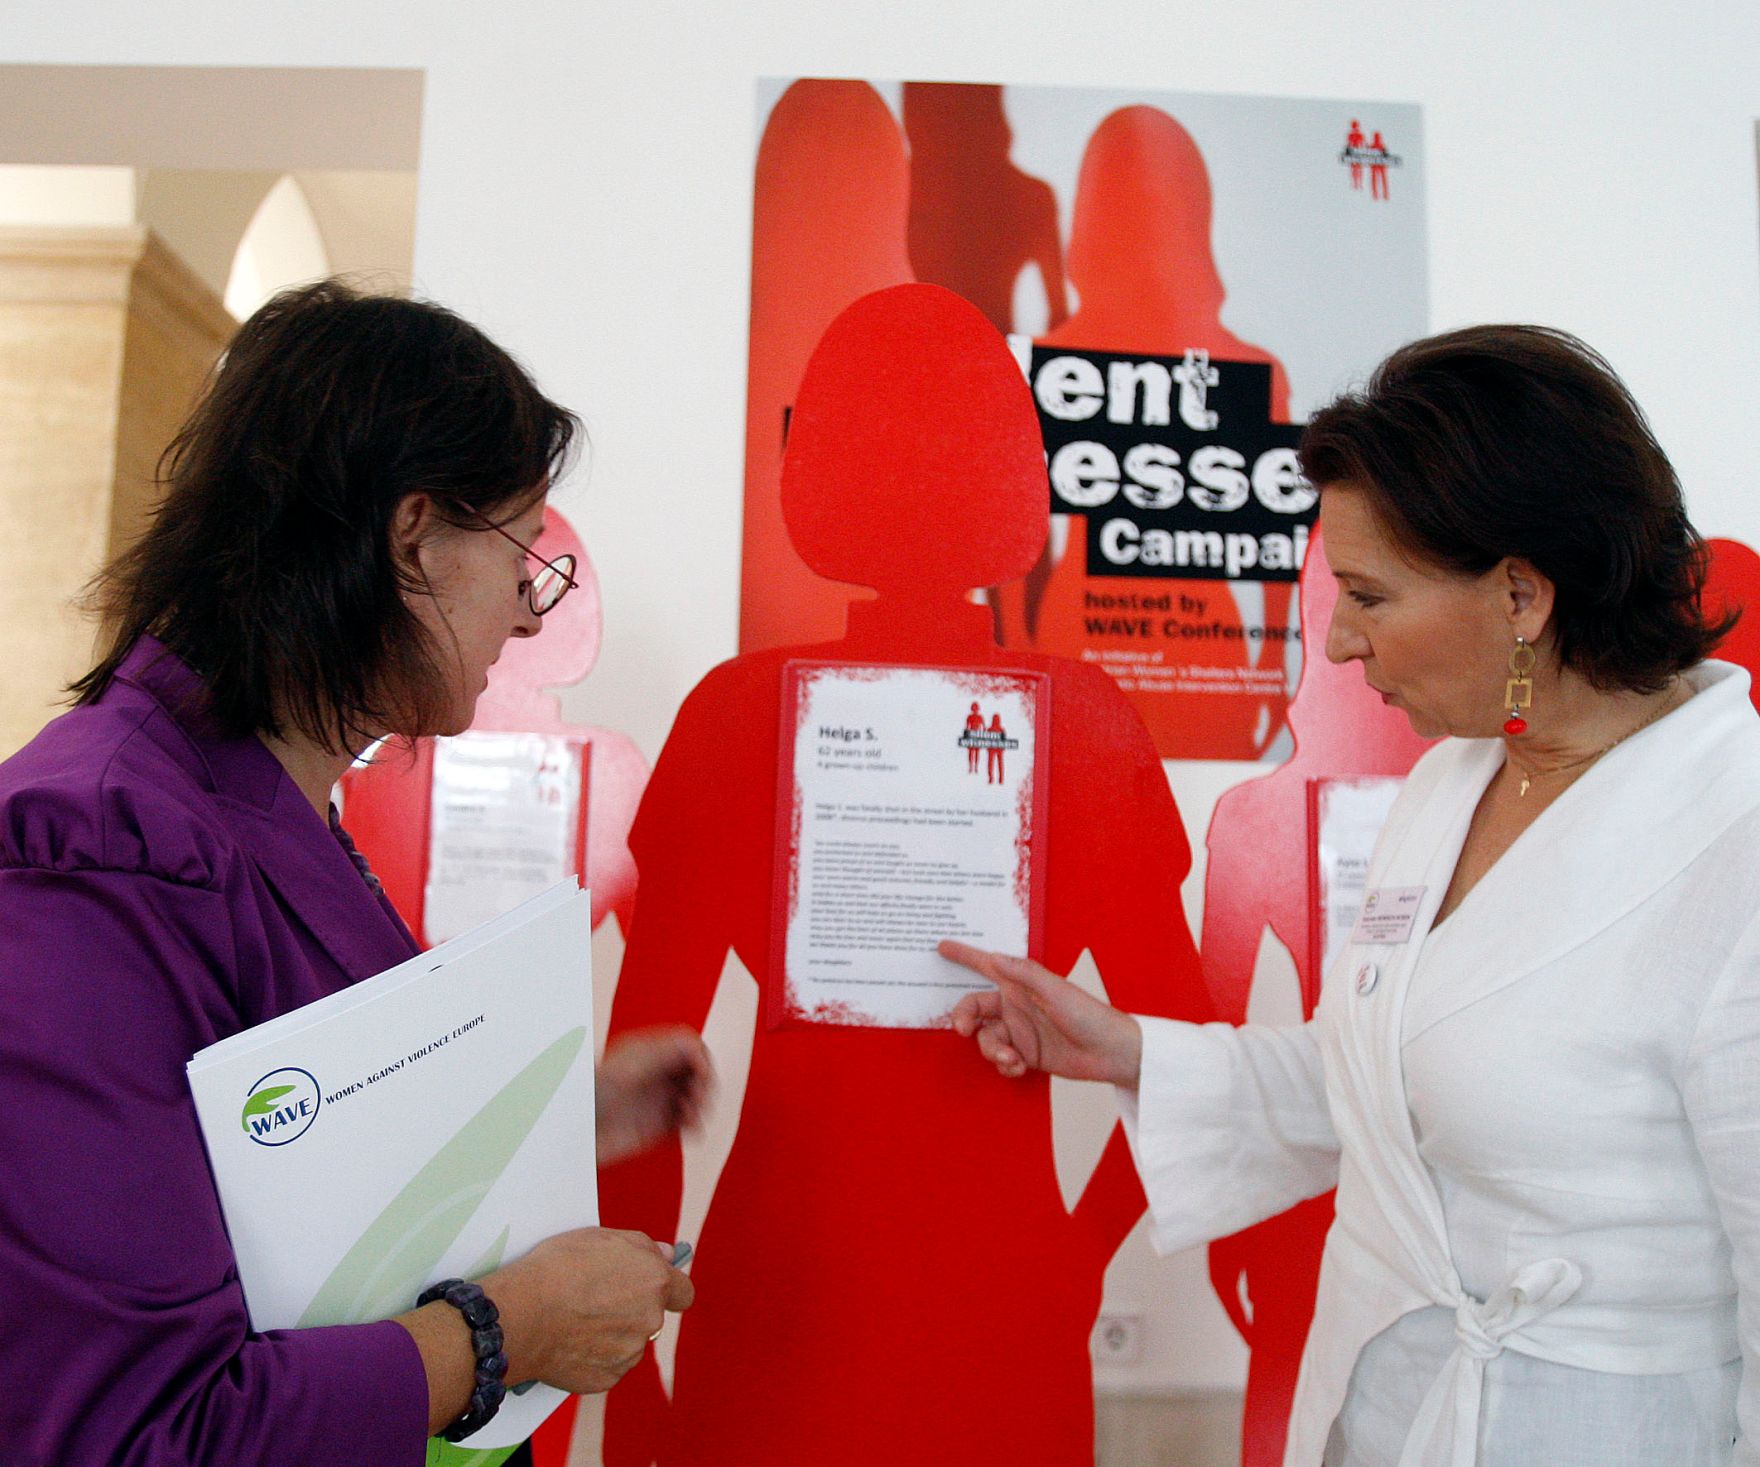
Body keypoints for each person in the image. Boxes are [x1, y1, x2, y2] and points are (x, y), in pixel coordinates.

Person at [943, 324, 1760, 1466]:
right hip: (1379, 1397)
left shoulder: (1732, 847)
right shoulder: (1451, 783)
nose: (1335, 643)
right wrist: (1125, 1050)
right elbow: (1373, 1079)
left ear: (1520, 595)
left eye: (1368, 597)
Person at [0, 280, 709, 1467]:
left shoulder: (261, 802)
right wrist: (510, 1329)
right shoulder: (89, 847)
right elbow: (136, 1429)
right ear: (413, 535)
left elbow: (263, 1159)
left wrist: (563, 1115)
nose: (527, 623)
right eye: (524, 560)